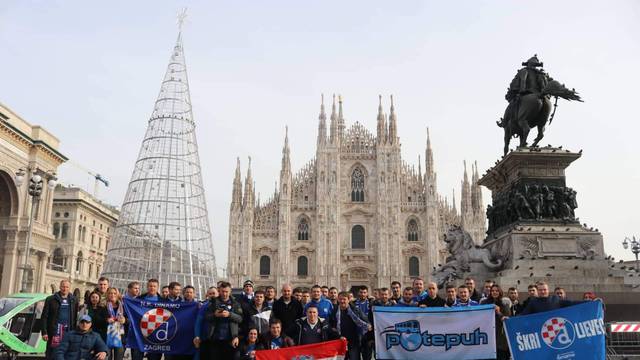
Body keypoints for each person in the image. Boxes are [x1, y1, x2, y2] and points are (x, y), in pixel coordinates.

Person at [205, 281, 243, 360]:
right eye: (223, 291)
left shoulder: (235, 303)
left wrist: (230, 315)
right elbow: (207, 317)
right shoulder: (213, 302)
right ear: (219, 291)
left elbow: (240, 319)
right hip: (215, 339)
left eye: (226, 292)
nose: (224, 294)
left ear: (230, 291)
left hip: (230, 339)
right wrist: (215, 315)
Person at [42, 279, 79, 359]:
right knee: (52, 354)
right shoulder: (50, 299)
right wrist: (44, 332)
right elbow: (44, 316)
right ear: (60, 287)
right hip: (54, 332)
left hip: (68, 332)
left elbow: (75, 317)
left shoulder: (74, 300)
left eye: (67, 287)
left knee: (66, 353)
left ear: (69, 288)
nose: (65, 289)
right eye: (63, 287)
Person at [329, 292, 370, 360]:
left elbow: (365, 321)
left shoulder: (355, 310)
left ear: (348, 300)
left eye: (344, 299)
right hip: (340, 341)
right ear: (338, 300)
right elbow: (330, 325)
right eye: (340, 299)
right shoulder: (334, 311)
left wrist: (368, 326)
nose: (342, 301)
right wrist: (337, 335)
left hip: (354, 342)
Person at [481, 285, 512, 360]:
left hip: (500, 339)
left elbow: (507, 320)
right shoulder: (484, 303)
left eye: (496, 291)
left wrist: (498, 312)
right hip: (487, 336)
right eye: (493, 291)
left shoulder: (505, 304)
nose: (494, 292)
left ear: (500, 292)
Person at [519, 282, 585, 315]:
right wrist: (509, 319)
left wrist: (590, 302)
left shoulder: (556, 299)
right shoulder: (533, 302)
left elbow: (572, 303)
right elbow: (523, 314)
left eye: (544, 289)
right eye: (540, 290)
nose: (542, 291)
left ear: (548, 290)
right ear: (538, 291)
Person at [105, 287, 126, 360]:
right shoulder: (104, 305)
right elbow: (99, 318)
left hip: (120, 336)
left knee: (119, 358)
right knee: (107, 357)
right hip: (107, 336)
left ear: (118, 295)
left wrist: (124, 320)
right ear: (107, 294)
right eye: (110, 293)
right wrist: (106, 320)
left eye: (114, 293)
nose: (112, 295)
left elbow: (129, 319)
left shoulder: (123, 306)